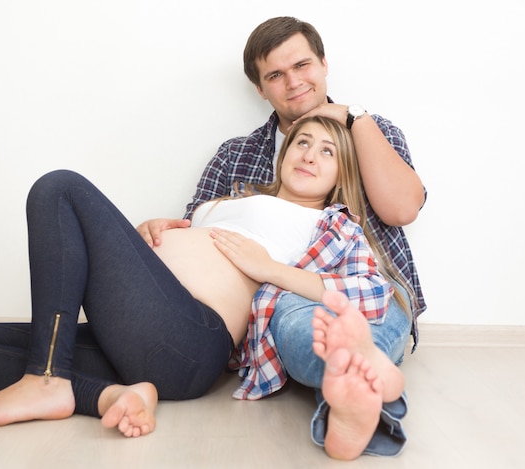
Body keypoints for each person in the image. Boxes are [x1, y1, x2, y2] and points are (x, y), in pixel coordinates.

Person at [0, 116, 394, 447]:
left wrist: (270, 269)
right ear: (284, 153)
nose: (310, 154)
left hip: (191, 341)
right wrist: (142, 235)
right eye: (302, 142)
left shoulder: (331, 225)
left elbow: (374, 296)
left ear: (340, 175)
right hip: (137, 333)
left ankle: (46, 376)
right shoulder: (230, 201)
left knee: (59, 188)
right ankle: (111, 394)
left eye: (327, 151)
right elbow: (170, 258)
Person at [137, 16, 426, 459]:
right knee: (299, 327)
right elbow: (197, 234)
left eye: (302, 65)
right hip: (275, 304)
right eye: (275, 75)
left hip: (368, 291)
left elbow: (402, 208)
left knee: (353, 326)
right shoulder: (237, 156)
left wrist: (354, 118)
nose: (293, 82)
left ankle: (360, 389)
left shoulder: (373, 132)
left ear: (324, 64)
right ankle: (351, 396)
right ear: (261, 89)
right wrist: (156, 232)